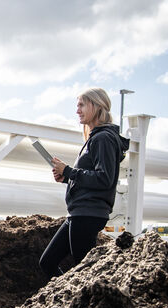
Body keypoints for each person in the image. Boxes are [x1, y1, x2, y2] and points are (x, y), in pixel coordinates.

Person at [39, 87, 130, 279]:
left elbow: (104, 178)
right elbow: (94, 178)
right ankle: (65, 301)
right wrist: (67, 178)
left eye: (81, 104)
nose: (77, 110)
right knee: (48, 262)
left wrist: (70, 171)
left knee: (85, 272)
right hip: (79, 212)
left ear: (96, 106)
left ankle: (88, 303)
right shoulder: (96, 138)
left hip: (87, 214)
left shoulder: (104, 138)